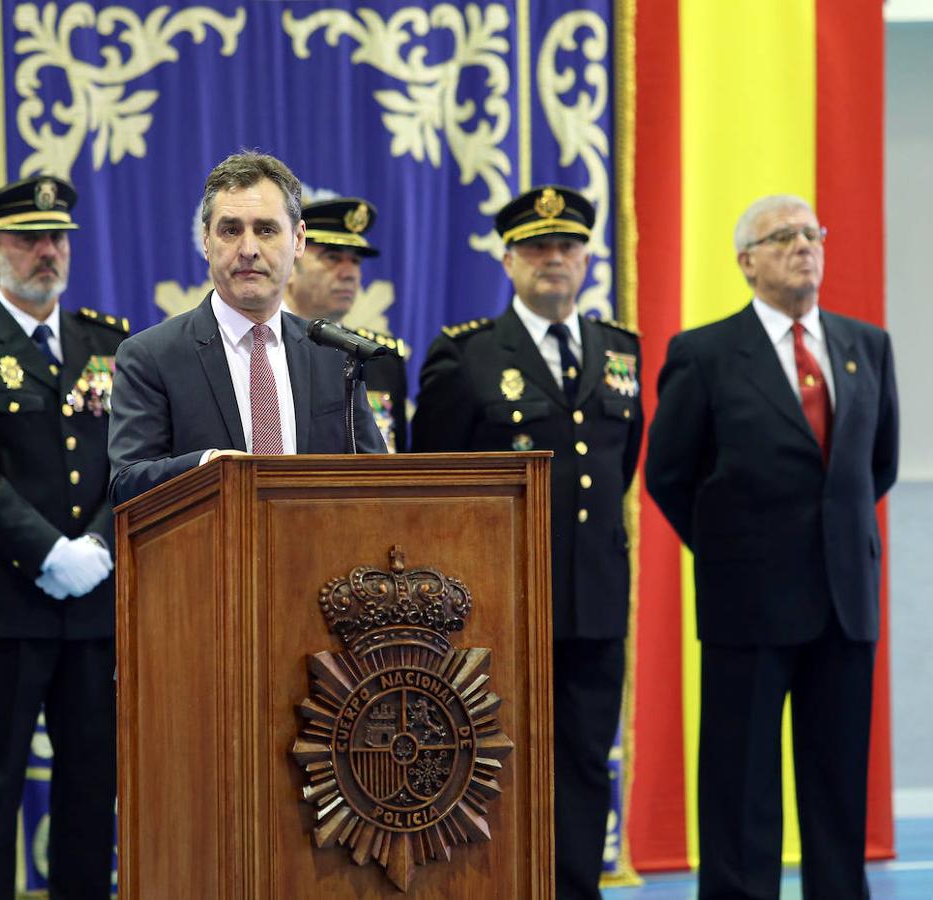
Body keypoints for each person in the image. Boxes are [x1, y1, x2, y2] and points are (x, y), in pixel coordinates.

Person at [645, 194, 899, 899]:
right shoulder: (704, 353)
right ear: (746, 261)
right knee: (742, 785)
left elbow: (877, 466)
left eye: (812, 232)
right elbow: (668, 473)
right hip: (747, 602)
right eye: (782, 236)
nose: (803, 245)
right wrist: (732, 549)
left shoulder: (865, 346)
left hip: (845, 599)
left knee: (838, 782)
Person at [411, 186, 642, 900]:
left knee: (581, 761)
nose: (554, 260)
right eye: (538, 248)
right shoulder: (469, 357)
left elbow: (621, 464)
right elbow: (434, 488)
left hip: (594, 604)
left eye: (568, 246)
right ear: (508, 260)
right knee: (488, 766)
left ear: (586, 259)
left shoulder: (619, 352)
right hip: (497, 606)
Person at [0, 174, 127, 899]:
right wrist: (49, 553)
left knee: (89, 796)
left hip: (95, 610)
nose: (46, 252)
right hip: (7, 605)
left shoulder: (108, 342)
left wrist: (96, 550)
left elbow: (130, 459)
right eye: (28, 239)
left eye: (57, 238)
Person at [108, 151, 386, 505]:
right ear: (207, 241)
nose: (249, 249)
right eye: (230, 230)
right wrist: (210, 467)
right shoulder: (152, 356)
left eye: (266, 229)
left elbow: (377, 480)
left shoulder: (333, 354)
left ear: (298, 240)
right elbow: (127, 483)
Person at [285, 196, 409, 451]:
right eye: (332, 257)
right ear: (291, 264)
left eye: (355, 261)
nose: (349, 273)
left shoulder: (378, 357)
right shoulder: (263, 346)